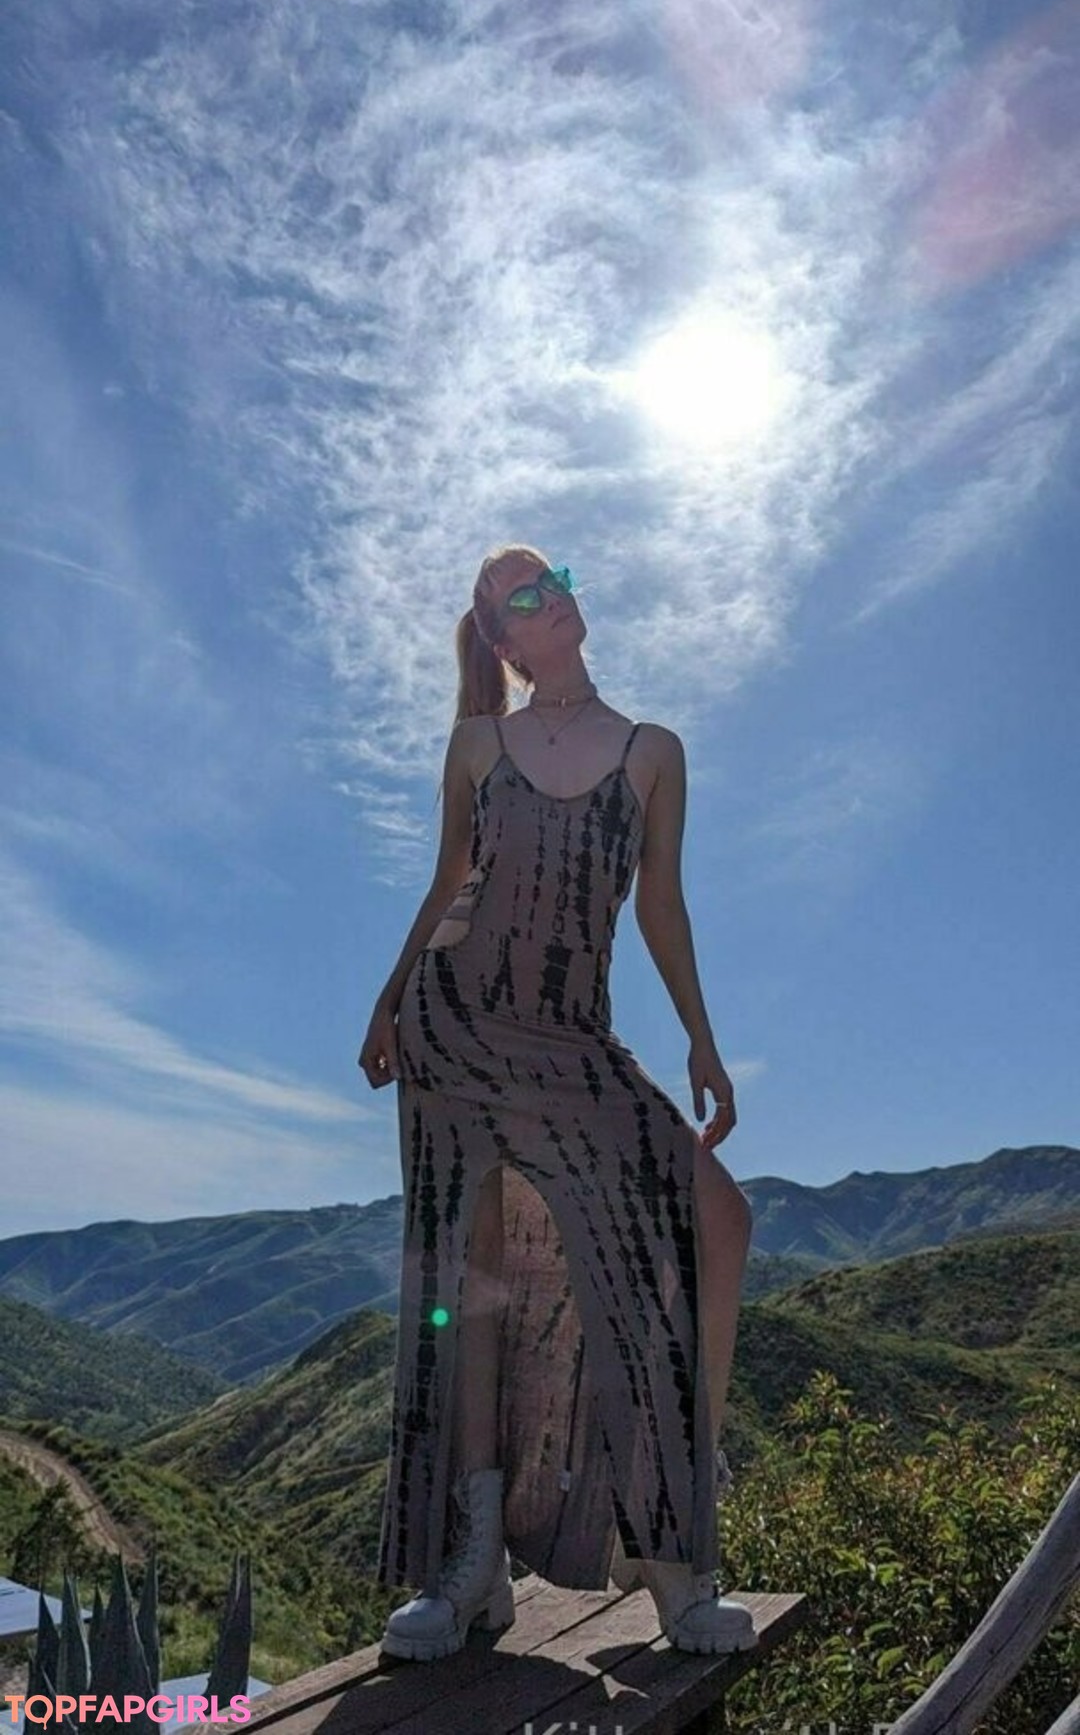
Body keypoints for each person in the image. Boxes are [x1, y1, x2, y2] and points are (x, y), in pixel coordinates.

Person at [358, 542, 757, 1663]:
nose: (554, 598)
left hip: (572, 1036)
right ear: (505, 640)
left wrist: (703, 1039)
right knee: (470, 1281)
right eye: (523, 595)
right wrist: (387, 1000)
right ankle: (472, 1563)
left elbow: (661, 905)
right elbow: (447, 882)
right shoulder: (477, 745)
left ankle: (666, 1529)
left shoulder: (653, 751)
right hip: (453, 1023)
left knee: (718, 1218)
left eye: (556, 577)